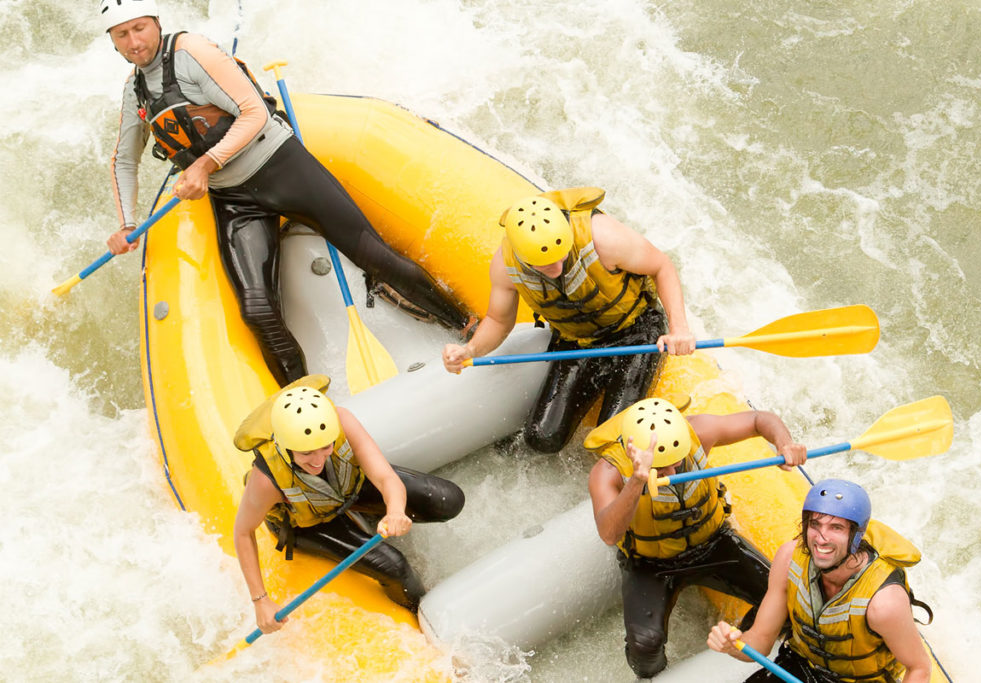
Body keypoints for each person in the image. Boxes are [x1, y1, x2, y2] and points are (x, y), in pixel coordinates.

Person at [100, 0, 470, 386]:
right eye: (122, 35)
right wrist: (126, 223)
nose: (134, 41)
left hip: (281, 165)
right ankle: (304, 403)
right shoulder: (135, 90)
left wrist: (204, 164)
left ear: (156, 24)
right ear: (112, 42)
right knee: (257, 310)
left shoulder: (192, 52)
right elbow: (124, 161)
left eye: (139, 28)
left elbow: (253, 111)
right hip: (234, 200)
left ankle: (466, 326)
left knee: (373, 255)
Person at [442, 187, 697, 453]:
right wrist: (469, 350)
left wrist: (679, 329)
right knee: (542, 437)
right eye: (544, 264)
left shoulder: (603, 237)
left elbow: (662, 266)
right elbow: (498, 320)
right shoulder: (506, 265)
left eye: (560, 256)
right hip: (578, 340)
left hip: (636, 329)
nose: (556, 268)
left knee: (614, 442)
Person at [586, 397, 808, 679]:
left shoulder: (697, 431)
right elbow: (609, 533)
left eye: (675, 464)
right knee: (645, 645)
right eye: (660, 469)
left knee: (788, 603)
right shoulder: (607, 472)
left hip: (714, 544)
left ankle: (746, 641)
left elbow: (759, 420)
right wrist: (637, 481)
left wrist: (784, 442)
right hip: (652, 563)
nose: (671, 474)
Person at [232, 375, 465, 632]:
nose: (318, 459)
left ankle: (367, 514)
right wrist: (260, 601)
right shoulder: (266, 480)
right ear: (286, 448)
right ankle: (425, 618)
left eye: (325, 447)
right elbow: (242, 532)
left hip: (347, 490)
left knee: (447, 499)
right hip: (304, 523)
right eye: (306, 453)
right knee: (395, 566)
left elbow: (385, 477)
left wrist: (395, 510)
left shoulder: (341, 421)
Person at [707, 479, 933, 683]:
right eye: (815, 525)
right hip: (801, 668)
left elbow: (919, 668)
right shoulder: (788, 559)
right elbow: (761, 640)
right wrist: (733, 645)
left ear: (855, 536)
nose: (821, 539)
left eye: (836, 528)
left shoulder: (884, 604)